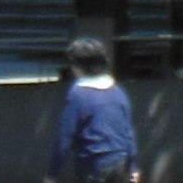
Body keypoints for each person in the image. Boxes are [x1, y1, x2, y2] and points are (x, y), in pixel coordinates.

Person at [49, 37, 137, 183]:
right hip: (119, 160)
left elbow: (65, 138)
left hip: (92, 163)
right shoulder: (117, 91)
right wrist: (133, 165)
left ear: (77, 65)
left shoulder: (78, 94)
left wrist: (52, 174)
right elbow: (128, 131)